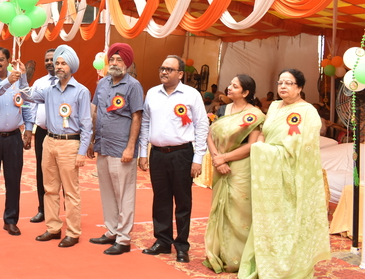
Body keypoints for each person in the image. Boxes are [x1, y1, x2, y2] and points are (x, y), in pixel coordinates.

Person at [238, 69, 330, 279]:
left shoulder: (308, 112)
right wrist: (260, 146)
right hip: (269, 174)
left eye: (289, 83)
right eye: (280, 82)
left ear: (299, 88)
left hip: (292, 176)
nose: (283, 87)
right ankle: (265, 263)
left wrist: (264, 151)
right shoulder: (273, 106)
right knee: (267, 220)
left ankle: (291, 266)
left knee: (289, 220)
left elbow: (303, 148)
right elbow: (265, 132)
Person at [138, 55, 209, 263]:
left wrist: (198, 158)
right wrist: (143, 152)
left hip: (182, 154)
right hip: (158, 154)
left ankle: (181, 246)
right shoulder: (152, 93)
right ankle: (162, 241)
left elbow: (202, 125)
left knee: (183, 201)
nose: (164, 72)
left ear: (180, 74)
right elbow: (145, 124)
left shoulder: (191, 94)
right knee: (160, 199)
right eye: (162, 68)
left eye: (169, 69)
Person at [25, 45, 93, 248]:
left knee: (71, 192)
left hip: (70, 144)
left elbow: (87, 124)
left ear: (71, 66)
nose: (59, 66)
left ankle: (73, 232)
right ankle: (53, 228)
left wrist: (82, 151)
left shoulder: (81, 91)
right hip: (49, 141)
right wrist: (21, 77)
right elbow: (28, 96)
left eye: (63, 63)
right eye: (57, 63)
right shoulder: (49, 90)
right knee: (50, 189)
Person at [203, 74, 264, 273]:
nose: (229, 88)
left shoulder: (255, 114)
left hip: (240, 168)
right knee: (219, 209)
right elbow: (210, 134)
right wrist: (216, 158)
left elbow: (252, 145)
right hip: (220, 165)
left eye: (234, 86)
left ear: (246, 92)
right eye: (230, 84)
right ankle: (219, 254)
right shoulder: (223, 109)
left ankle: (238, 259)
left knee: (239, 211)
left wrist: (225, 158)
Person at [87, 43, 143, 255]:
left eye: (119, 60)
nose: (114, 63)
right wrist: (92, 140)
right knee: (107, 192)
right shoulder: (102, 84)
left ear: (127, 63)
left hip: (122, 149)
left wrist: (131, 147)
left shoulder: (133, 86)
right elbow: (95, 113)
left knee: (124, 194)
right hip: (103, 145)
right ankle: (111, 230)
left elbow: (137, 117)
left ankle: (124, 238)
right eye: (112, 59)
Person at [0, 47, 33, 236]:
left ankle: (10, 220)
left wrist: (29, 128)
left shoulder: (18, 79)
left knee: (13, 180)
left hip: (13, 139)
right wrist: (7, 82)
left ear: (8, 61)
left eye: (0, 60)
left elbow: (26, 102)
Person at [25, 48, 56, 223]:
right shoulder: (39, 82)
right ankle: (42, 209)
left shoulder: (66, 82)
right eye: (47, 60)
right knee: (42, 171)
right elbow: (31, 107)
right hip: (43, 133)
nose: (49, 63)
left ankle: (67, 211)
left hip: (63, 135)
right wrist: (29, 130)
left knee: (64, 173)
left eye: (53, 59)